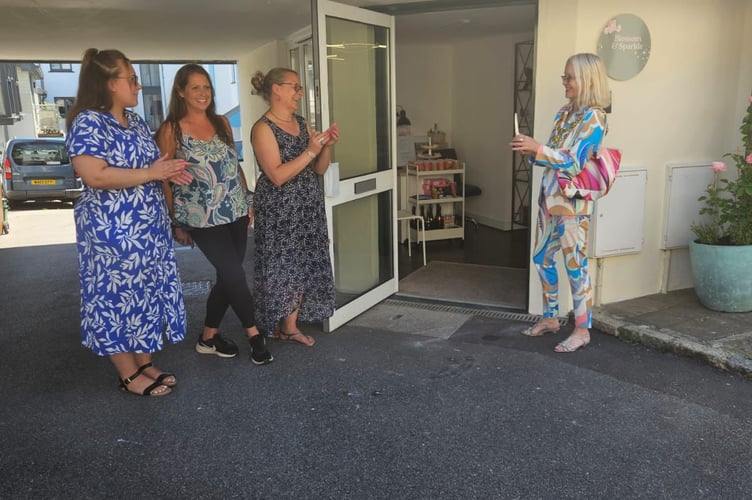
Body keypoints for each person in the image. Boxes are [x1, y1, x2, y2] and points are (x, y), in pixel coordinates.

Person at [65, 48, 192, 396]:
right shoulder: (88, 121)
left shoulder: (134, 122)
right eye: (132, 79)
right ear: (109, 83)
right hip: (111, 232)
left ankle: (145, 362)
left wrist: (168, 172)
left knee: (144, 296)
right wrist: (152, 172)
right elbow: (96, 176)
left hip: (146, 230)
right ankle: (127, 374)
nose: (138, 86)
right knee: (114, 299)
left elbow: (148, 167)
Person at [156, 64, 273, 365]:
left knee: (227, 276)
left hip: (234, 210)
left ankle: (207, 337)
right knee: (235, 274)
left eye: (206, 87)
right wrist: (175, 222)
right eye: (195, 87)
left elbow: (234, 167)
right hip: (200, 218)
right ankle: (254, 335)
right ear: (180, 91)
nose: (203, 93)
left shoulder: (221, 122)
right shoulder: (171, 129)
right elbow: (163, 180)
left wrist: (249, 201)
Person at [510, 53, 611, 353]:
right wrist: (530, 151)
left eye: (569, 77)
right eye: (564, 77)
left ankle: (581, 330)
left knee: (575, 265)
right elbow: (552, 156)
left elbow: (574, 162)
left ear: (587, 80)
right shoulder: (564, 113)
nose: (564, 82)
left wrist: (538, 149)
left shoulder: (596, 117)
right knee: (541, 258)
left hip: (573, 205)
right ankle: (551, 318)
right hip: (549, 200)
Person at [250, 67, 338, 346]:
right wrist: (310, 150)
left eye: (300, 88)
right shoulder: (262, 128)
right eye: (295, 87)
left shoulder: (303, 122)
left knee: (302, 263)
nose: (300, 93)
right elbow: (276, 175)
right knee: (283, 266)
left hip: (306, 205)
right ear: (276, 89)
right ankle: (281, 323)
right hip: (279, 209)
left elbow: (319, 170)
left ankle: (290, 326)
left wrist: (325, 147)